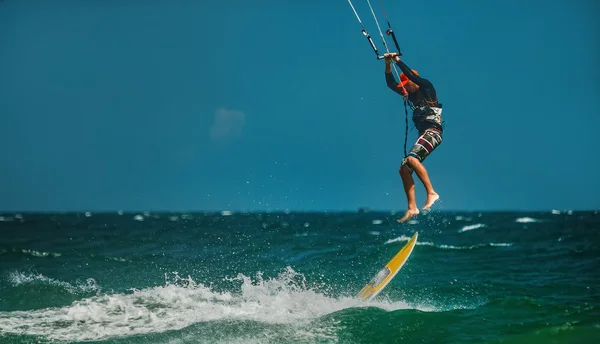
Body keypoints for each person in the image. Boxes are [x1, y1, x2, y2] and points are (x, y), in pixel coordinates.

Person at [383, 52, 444, 223]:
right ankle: (412, 208)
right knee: (403, 168)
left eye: (407, 84)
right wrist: (387, 65)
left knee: (411, 159)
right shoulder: (409, 95)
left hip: (433, 132)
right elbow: (390, 84)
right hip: (424, 135)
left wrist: (397, 60)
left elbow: (409, 74)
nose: (405, 88)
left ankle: (431, 193)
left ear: (413, 81)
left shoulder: (426, 87)